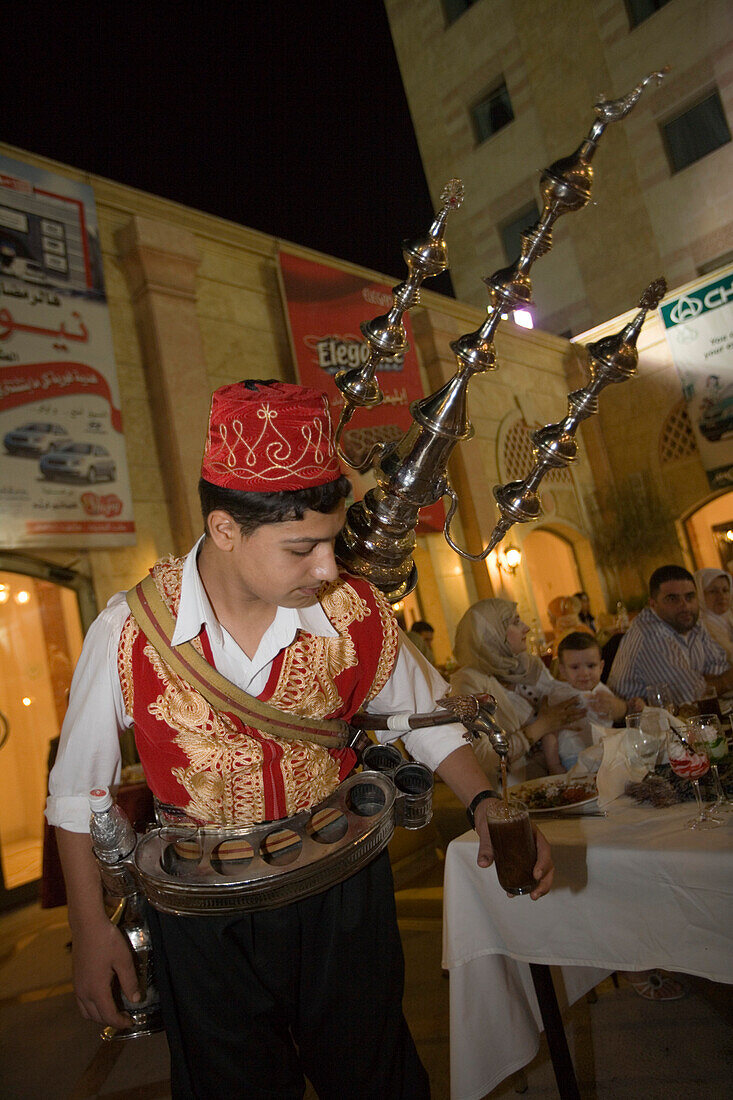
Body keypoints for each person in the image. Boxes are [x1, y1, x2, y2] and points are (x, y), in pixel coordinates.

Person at [46, 380, 554, 1099]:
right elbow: (76, 794)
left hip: (342, 891)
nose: (325, 568)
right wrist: (90, 929)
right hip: (199, 912)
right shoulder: (129, 632)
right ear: (226, 529)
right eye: (301, 548)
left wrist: (486, 805)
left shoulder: (354, 614)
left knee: (374, 1078)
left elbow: (431, 721)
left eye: (329, 542)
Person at [451, 598, 586, 783]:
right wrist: (541, 726)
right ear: (492, 634)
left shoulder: (529, 665)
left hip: (563, 774)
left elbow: (563, 704)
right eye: (515, 622)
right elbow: (484, 758)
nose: (526, 628)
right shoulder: (469, 682)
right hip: (516, 791)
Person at [608, 564, 733, 706]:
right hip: (639, 725)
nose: (684, 605)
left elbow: (719, 667)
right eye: (672, 599)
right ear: (653, 604)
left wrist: (706, 683)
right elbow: (690, 695)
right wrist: (717, 682)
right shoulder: (650, 636)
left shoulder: (692, 622)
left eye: (690, 597)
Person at [555, 632, 644, 769]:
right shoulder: (561, 695)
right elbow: (550, 734)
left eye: (591, 666)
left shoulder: (604, 691)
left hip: (607, 752)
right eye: (575, 667)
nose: (584, 673)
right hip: (575, 756)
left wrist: (632, 706)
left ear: (601, 667)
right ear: (563, 670)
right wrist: (553, 764)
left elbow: (614, 721)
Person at [695, 567, 733, 663]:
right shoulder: (699, 627)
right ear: (700, 594)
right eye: (713, 591)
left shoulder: (730, 616)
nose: (721, 596)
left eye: (725, 590)